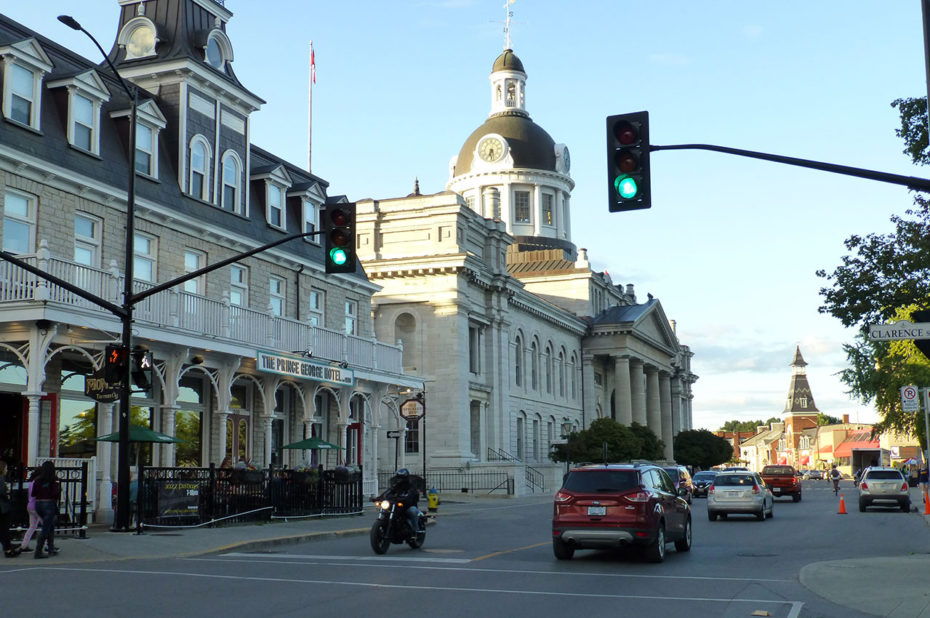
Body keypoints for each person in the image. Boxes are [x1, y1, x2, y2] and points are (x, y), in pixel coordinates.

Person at [380, 468, 421, 540]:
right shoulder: (396, 486)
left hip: (408, 506)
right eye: (398, 477)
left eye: (401, 478)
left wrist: (405, 499)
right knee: (387, 511)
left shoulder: (411, 487)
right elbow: (389, 491)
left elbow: (410, 496)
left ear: (406, 478)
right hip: (398, 504)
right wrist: (379, 498)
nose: (399, 479)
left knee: (412, 511)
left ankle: (415, 531)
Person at [31, 460, 61, 559]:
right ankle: (38, 551)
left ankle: (51, 548)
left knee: (49, 525)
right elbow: (55, 493)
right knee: (46, 527)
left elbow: (33, 493)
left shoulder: (37, 479)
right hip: (48, 503)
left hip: (38, 503)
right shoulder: (54, 479)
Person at [0, 461, 20, 558]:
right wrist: (7, 496)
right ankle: (8, 549)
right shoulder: (1, 479)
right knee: (4, 529)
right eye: (6, 468)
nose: (7, 470)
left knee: (3, 530)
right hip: (2, 508)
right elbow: (2, 492)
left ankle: (7, 546)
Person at [19, 468, 41, 552]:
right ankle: (47, 544)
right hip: (37, 506)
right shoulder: (37, 483)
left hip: (30, 505)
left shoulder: (31, 483)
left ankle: (24, 545)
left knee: (32, 526)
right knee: (46, 526)